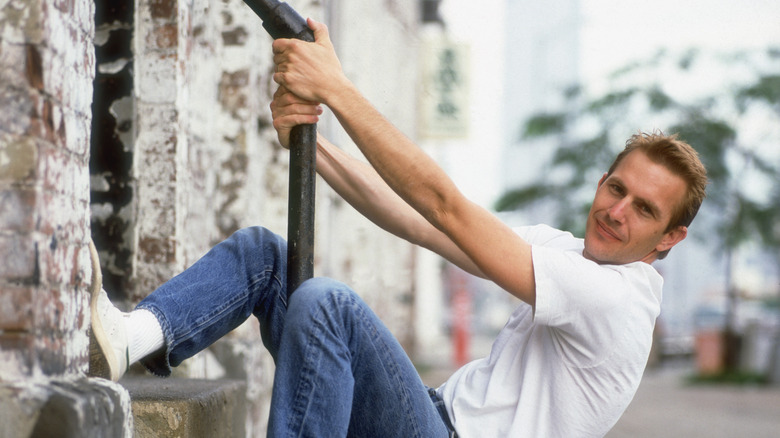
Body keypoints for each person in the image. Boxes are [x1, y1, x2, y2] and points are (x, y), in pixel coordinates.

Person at [89, 18, 708, 437]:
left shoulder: (617, 300)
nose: (617, 209)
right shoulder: (568, 255)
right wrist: (311, 148)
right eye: (616, 187)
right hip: (428, 414)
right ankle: (127, 340)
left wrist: (336, 89)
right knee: (266, 256)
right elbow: (420, 221)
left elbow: (444, 203)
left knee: (326, 304)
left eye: (645, 210)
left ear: (669, 239)